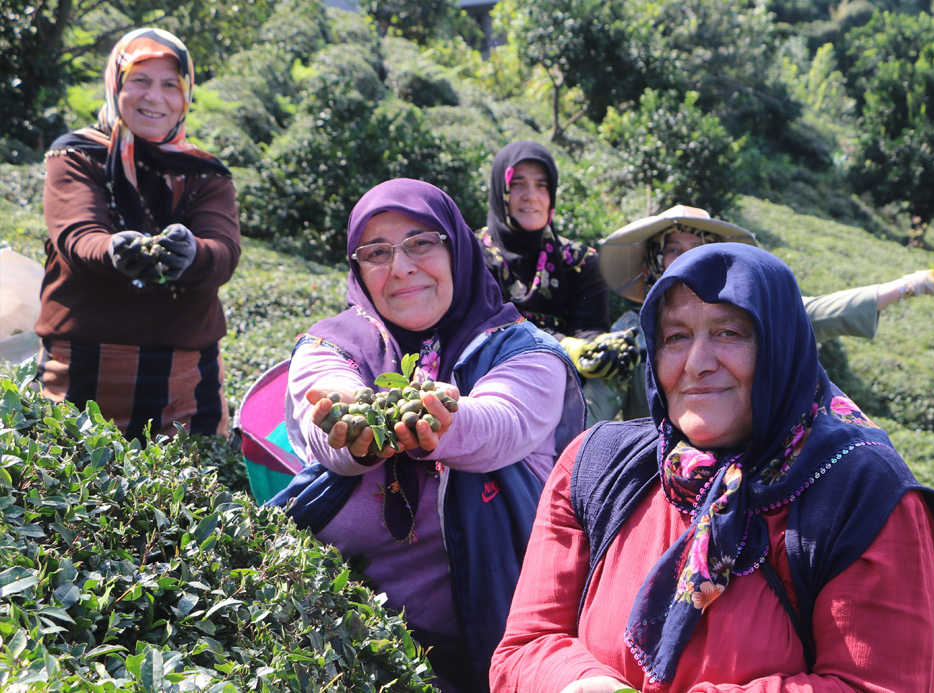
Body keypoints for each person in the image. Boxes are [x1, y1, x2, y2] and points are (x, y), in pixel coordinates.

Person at [491, 243, 934, 692]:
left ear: (780, 346)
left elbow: (876, 684)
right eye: (676, 336)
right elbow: (525, 649)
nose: (697, 364)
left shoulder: (863, 493)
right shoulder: (595, 465)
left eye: (729, 333)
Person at [273, 179, 585, 693]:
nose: (400, 267)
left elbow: (501, 422)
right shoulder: (330, 343)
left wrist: (441, 423)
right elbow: (325, 407)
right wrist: (353, 428)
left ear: (457, 247)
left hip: (488, 639)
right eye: (377, 252)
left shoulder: (526, 351)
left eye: (421, 243)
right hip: (339, 637)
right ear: (358, 270)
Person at [34, 28, 240, 440]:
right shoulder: (75, 154)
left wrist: (192, 254)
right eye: (140, 81)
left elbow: (223, 249)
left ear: (186, 96)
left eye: (170, 85)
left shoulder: (204, 172)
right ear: (116, 84)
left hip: (183, 378)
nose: (154, 97)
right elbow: (76, 232)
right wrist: (113, 251)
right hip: (80, 365)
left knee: (189, 492)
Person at [599, 205, 934, 420]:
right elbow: (596, 406)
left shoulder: (748, 315)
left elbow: (819, 312)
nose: (685, 260)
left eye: (697, 248)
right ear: (654, 261)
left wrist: (911, 284)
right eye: (673, 250)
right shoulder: (630, 333)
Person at [477, 140, 637, 423]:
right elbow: (485, 328)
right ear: (500, 189)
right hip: (486, 389)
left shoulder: (579, 261)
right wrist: (564, 344)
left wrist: (599, 349)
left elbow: (588, 328)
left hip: (561, 391)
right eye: (518, 184)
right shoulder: (472, 254)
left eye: (541, 185)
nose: (530, 196)